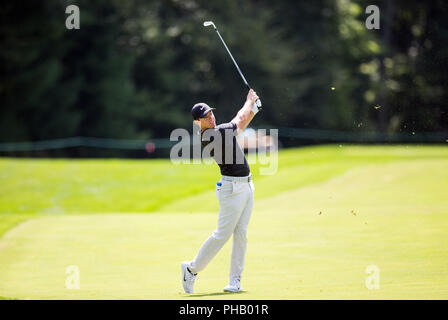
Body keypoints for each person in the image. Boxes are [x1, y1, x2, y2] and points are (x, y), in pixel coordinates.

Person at [181, 89, 261, 294]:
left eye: (211, 113)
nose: (211, 117)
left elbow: (241, 124)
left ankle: (235, 281)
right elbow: (240, 119)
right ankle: (191, 269)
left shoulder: (219, 130)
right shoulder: (211, 135)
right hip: (232, 189)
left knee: (241, 234)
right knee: (222, 235)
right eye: (206, 116)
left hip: (247, 185)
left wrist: (254, 109)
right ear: (198, 122)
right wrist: (249, 102)